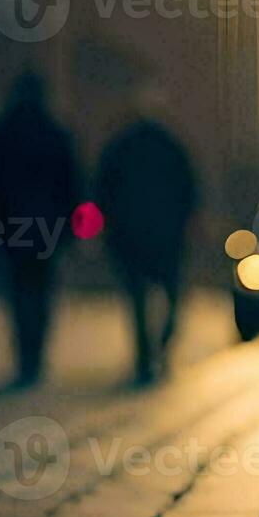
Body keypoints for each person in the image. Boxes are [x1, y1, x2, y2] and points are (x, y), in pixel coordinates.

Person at [0, 71, 79, 387]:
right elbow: (71, 185)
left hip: (11, 227)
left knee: (19, 291)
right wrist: (70, 228)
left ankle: (25, 353)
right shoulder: (55, 133)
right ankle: (35, 351)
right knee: (41, 290)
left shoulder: (1, 132)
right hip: (47, 229)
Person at [96, 104, 197, 384]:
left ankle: (145, 355)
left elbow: (103, 189)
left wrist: (107, 225)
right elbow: (189, 187)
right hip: (167, 234)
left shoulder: (120, 148)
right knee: (171, 294)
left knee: (137, 298)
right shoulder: (170, 146)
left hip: (130, 234)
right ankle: (162, 342)